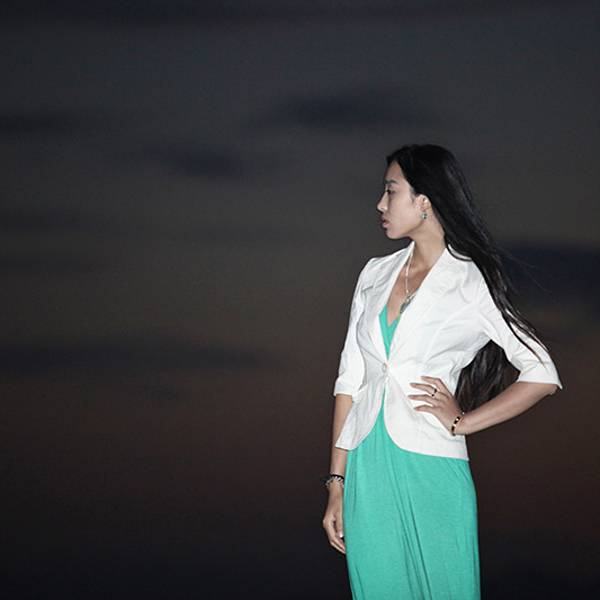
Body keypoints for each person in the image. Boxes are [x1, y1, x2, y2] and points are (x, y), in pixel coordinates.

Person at [321, 144, 563, 600]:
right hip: (367, 469)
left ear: (424, 201)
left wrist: (462, 421)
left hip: (431, 465)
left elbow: (542, 373)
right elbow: (349, 381)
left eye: (390, 191)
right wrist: (337, 484)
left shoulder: (470, 279)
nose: (380, 204)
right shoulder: (373, 274)